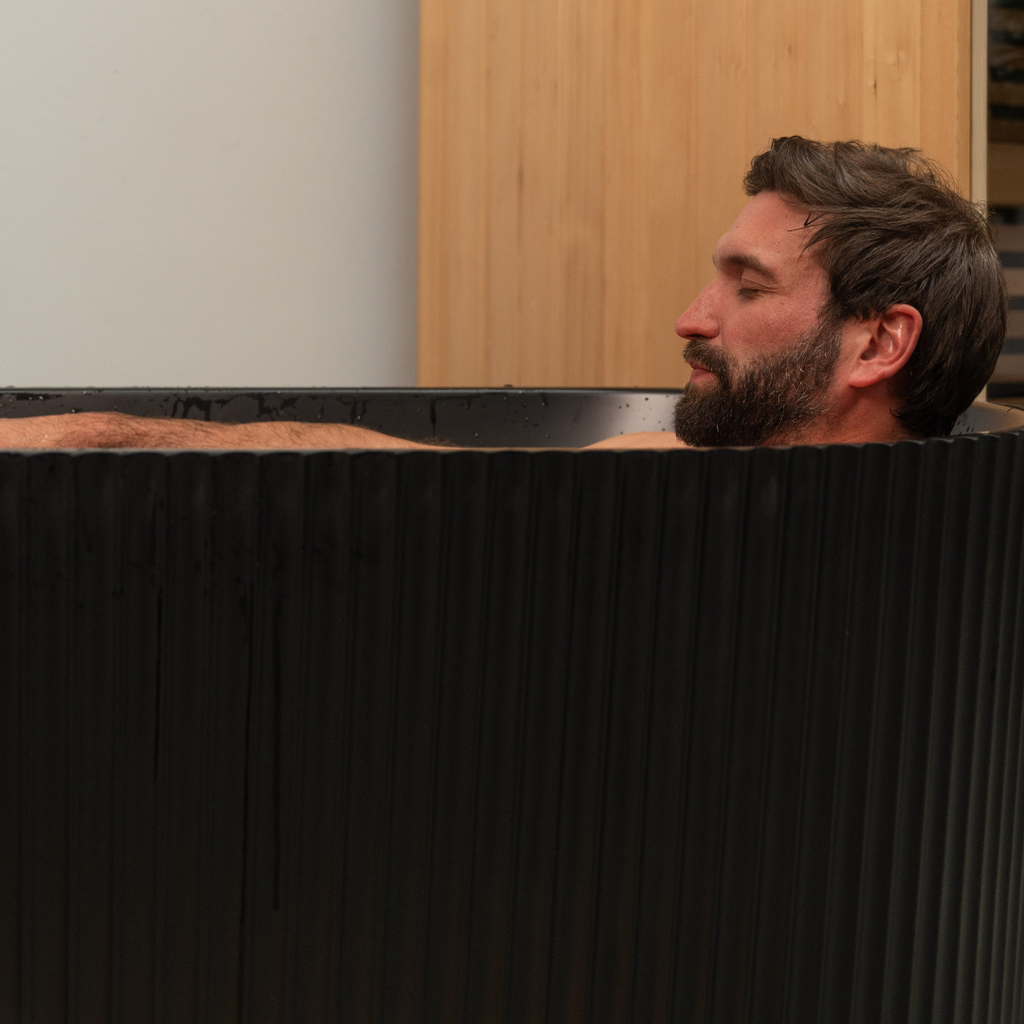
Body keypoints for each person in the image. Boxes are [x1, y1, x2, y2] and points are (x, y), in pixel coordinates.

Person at [0, 136, 1006, 451]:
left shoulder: (969, 583)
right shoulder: (672, 480)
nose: (690, 318)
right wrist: (74, 434)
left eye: (746, 288)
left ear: (877, 347)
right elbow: (347, 456)